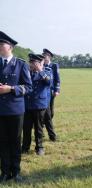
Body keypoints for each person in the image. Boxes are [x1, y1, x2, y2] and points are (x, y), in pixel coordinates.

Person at [0, 31, 32, 182]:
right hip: (0, 110)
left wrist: (11, 89)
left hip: (15, 110)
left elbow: (28, 87)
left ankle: (16, 171)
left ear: (10, 47)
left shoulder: (20, 64)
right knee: (3, 141)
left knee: (15, 141)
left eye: (1, 44)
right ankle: (5, 172)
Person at [22, 54, 52, 155]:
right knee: (26, 128)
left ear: (39, 63)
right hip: (27, 104)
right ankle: (25, 147)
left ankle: (39, 147)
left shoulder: (46, 72)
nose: (31, 65)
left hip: (39, 105)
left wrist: (40, 70)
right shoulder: (26, 72)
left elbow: (48, 83)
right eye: (30, 62)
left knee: (38, 128)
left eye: (33, 63)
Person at [42, 48, 60, 141]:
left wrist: (57, 90)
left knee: (51, 111)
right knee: (44, 111)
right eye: (43, 56)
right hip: (42, 92)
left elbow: (57, 79)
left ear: (49, 57)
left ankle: (45, 122)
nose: (44, 57)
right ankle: (43, 126)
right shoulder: (41, 65)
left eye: (45, 56)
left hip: (51, 92)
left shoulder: (54, 66)